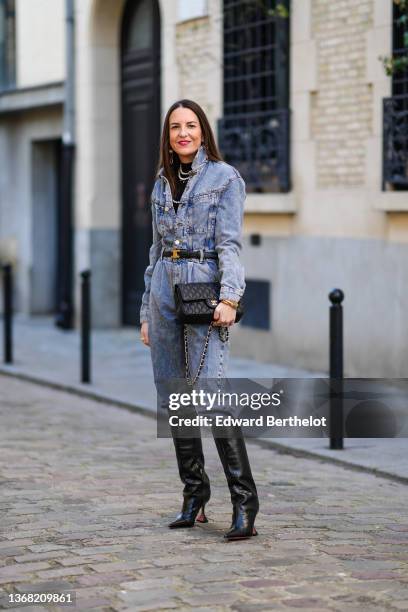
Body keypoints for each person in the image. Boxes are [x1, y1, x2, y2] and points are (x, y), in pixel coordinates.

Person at [139, 99, 259, 541]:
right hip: (163, 290)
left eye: (191, 126)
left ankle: (245, 502)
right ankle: (195, 496)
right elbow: (154, 253)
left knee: (210, 392)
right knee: (174, 397)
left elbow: (230, 244)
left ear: (203, 132)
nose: (183, 133)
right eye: (175, 127)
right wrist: (145, 313)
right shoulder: (160, 184)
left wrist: (230, 296)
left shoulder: (225, 178)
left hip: (204, 286)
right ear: (168, 137)